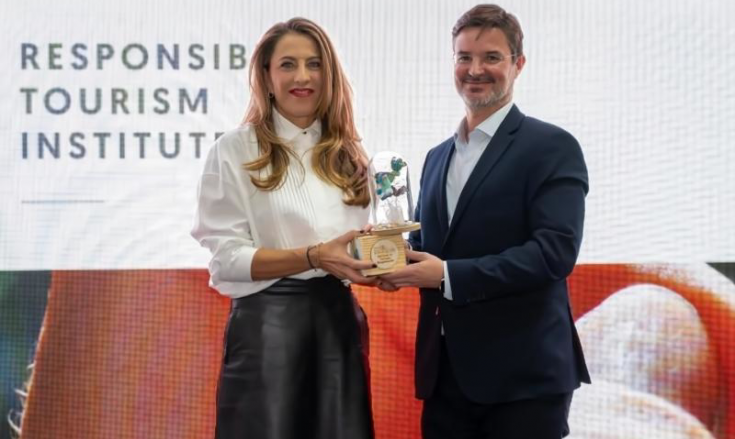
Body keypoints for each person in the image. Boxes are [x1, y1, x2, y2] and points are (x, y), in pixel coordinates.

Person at [380, 4, 591, 438]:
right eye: (464, 57)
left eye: (491, 57)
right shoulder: (436, 157)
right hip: (444, 377)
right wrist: (388, 258)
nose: (475, 70)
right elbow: (428, 249)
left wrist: (447, 275)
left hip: (524, 380)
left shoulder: (552, 146)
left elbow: (553, 253)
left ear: (518, 64)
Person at [191, 17, 375, 439]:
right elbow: (226, 261)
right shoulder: (235, 149)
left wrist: (376, 263)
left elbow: (355, 248)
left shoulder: (350, 154)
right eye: (288, 64)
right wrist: (313, 256)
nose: (302, 77)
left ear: (329, 75)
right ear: (267, 77)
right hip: (267, 331)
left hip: (339, 326)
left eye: (314, 64)